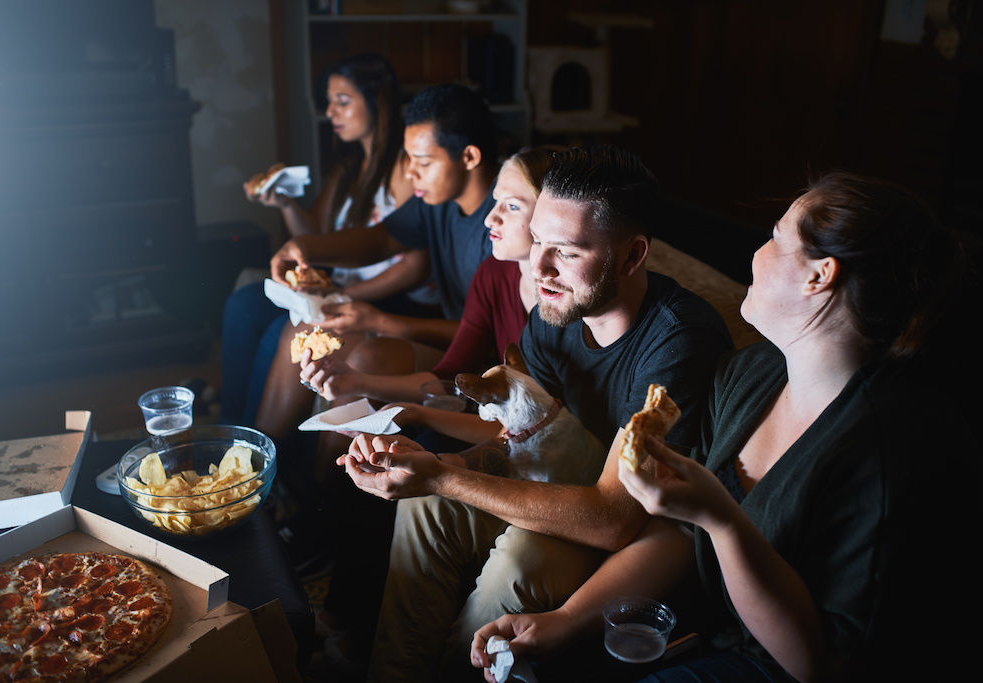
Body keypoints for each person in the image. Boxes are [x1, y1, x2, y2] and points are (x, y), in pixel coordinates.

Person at [471, 171, 983, 682]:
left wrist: (722, 519)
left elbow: (820, 665)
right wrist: (565, 621)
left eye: (774, 237)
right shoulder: (748, 375)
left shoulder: (891, 450)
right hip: (708, 633)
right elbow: (681, 532)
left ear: (821, 275)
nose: (755, 254)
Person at [338, 146, 734, 682]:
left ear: (632, 256)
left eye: (566, 252)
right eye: (539, 241)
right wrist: (418, 458)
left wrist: (446, 476)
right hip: (573, 489)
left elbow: (618, 519)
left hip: (644, 536)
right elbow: (518, 438)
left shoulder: (676, 343)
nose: (539, 267)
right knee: (422, 507)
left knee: (519, 560)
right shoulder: (554, 313)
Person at [299, 146, 562, 446]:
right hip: (507, 427)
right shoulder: (493, 274)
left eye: (512, 207)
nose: (490, 219)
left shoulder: (567, 301)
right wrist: (353, 382)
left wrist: (417, 414)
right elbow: (448, 374)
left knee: (430, 445)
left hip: (546, 443)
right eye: (496, 202)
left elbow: (535, 430)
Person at [220, 53, 427, 432]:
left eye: (343, 102)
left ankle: (256, 444)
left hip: (375, 295)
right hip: (338, 289)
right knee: (243, 305)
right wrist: (284, 202)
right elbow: (312, 234)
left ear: (377, 103)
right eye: (330, 101)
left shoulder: (402, 169)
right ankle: (231, 426)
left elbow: (414, 263)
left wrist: (348, 295)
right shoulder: (348, 170)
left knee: (276, 332)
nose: (331, 111)